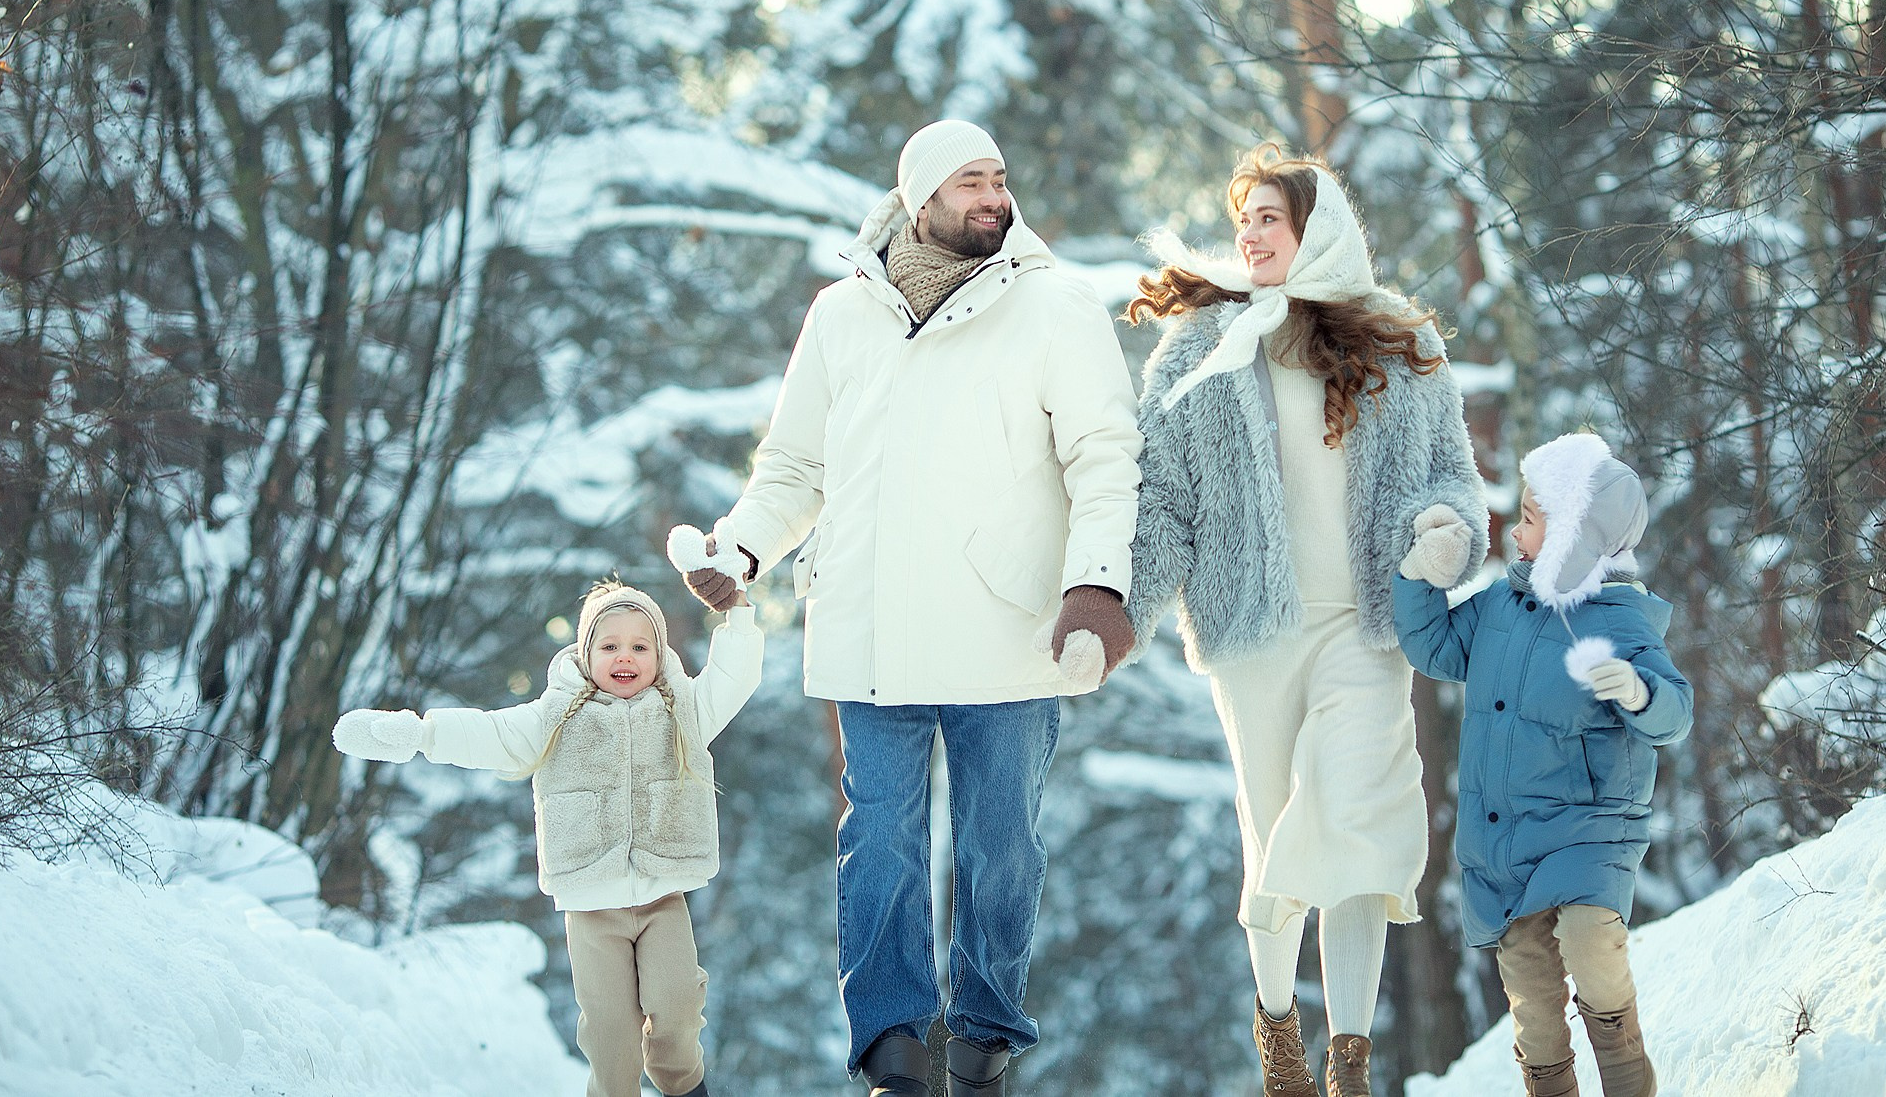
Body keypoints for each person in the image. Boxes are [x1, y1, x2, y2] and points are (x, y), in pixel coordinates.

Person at [680, 119, 1142, 1097]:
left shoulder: (1056, 307)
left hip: (1008, 624)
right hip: (872, 619)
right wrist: (744, 546)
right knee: (878, 836)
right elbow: (795, 468)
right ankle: (891, 1045)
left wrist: (1095, 582)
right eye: (968, 180)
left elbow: (1103, 456)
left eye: (998, 176)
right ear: (917, 198)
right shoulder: (843, 317)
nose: (990, 194)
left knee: (999, 843)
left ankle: (981, 1036)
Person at [1124, 145, 1488, 1097]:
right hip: (1253, 628)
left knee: (1360, 820)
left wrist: (1446, 535)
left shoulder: (1400, 339)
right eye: (1241, 217)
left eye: (1268, 219)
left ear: (1316, 228)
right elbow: (1158, 497)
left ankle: (1352, 1060)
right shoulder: (1200, 347)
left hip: (1367, 625)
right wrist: (1124, 608)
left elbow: (1451, 475)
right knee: (1274, 825)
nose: (1248, 235)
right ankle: (1281, 1035)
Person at [331, 581, 763, 1097]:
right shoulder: (555, 717)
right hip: (590, 907)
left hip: (661, 899)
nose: (625, 657)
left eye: (640, 646)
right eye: (610, 646)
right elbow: (491, 734)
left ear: (660, 653)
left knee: (676, 1011)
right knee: (610, 1037)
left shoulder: (682, 713)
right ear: (586, 654)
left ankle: (685, 1087)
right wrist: (420, 734)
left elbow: (732, 680)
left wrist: (738, 617)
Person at [1392, 432, 1690, 1097]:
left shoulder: (1621, 619)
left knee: (1591, 941)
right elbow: (1436, 647)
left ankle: (1628, 1082)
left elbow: (1676, 713)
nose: (1517, 532)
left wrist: (1640, 693)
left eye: (1532, 520)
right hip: (1506, 845)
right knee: (1533, 1004)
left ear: (1574, 541)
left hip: (1589, 831)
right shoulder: (1502, 604)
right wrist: (1418, 575)